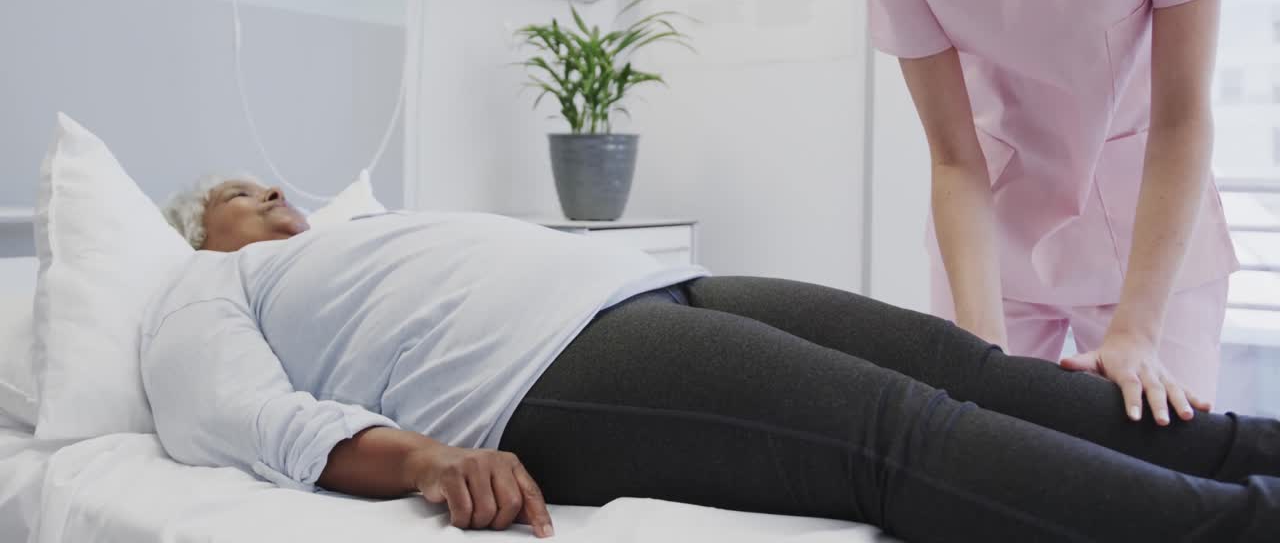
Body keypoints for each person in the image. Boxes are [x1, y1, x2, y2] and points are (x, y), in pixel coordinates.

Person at [144, 176, 1280, 541]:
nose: (273, 194)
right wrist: (425, 462)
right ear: (199, 231)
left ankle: (1250, 450)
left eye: (274, 181)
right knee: (899, 436)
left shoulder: (361, 234)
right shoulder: (203, 288)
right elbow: (242, 418)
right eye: (242, 194)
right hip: (546, 370)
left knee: (967, 371)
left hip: (640, 290)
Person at [860, 0, 1263, 425]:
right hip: (991, 239)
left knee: (1156, 479)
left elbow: (1181, 116)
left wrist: (1138, 329)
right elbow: (952, 156)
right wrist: (981, 357)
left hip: (1150, 233)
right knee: (981, 460)